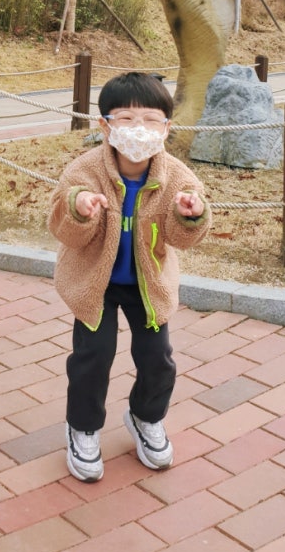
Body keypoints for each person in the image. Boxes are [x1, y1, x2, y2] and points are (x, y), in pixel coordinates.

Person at [48, 71, 211, 481]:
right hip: (94, 284)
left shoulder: (176, 176)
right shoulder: (85, 171)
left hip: (147, 283)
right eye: (126, 118)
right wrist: (79, 207)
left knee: (158, 359)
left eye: (151, 120)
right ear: (105, 124)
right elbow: (61, 226)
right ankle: (83, 428)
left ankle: (145, 417)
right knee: (93, 358)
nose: (139, 129)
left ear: (166, 127)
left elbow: (182, 238)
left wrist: (190, 215)